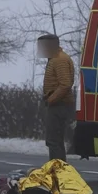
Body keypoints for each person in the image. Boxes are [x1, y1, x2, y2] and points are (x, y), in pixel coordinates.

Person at [38, 33, 75, 162]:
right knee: (55, 141)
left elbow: (65, 84)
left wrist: (51, 99)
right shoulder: (55, 58)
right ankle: (58, 171)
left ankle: (57, 172)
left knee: (54, 141)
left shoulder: (59, 60)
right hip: (58, 104)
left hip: (59, 105)